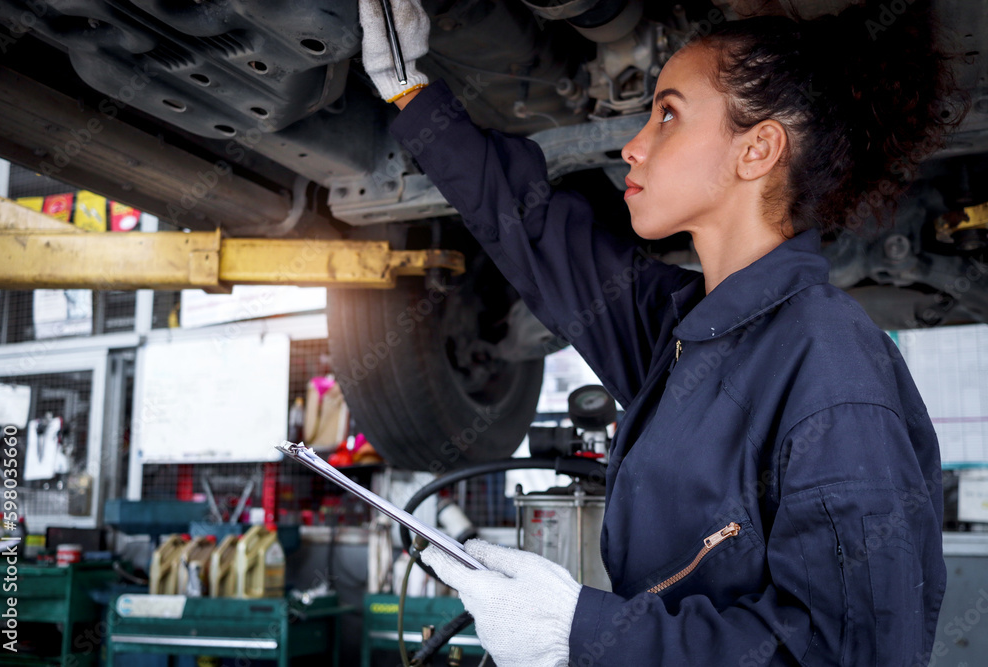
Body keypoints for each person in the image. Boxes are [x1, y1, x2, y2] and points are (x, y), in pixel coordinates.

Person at [358, 0, 970, 665]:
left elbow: (846, 652)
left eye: (668, 114)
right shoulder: (686, 334)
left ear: (757, 149)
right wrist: (410, 91)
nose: (634, 144)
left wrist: (578, 631)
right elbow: (535, 235)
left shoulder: (830, 363)